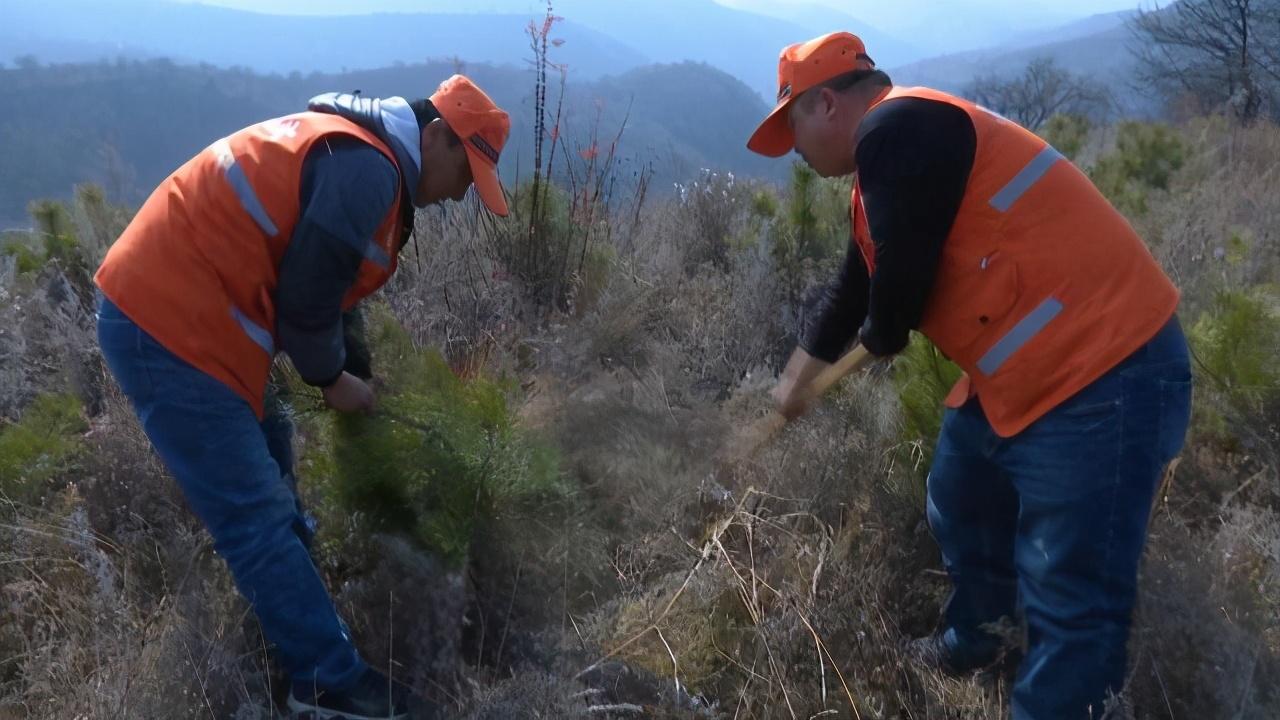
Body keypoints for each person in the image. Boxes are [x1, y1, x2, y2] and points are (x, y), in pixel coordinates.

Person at [748, 31, 1193, 719]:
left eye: (793, 129)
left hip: (1107, 373)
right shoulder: (888, 169)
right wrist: (796, 380)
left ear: (827, 104)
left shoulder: (897, 126)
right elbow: (856, 286)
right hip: (1026, 378)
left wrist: (883, 332)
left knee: (1072, 598)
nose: (797, 154)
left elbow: (897, 286)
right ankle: (978, 641)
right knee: (960, 495)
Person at [94, 74, 511, 719]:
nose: (460, 195)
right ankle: (323, 683)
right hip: (166, 319)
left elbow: (329, 283)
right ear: (437, 137)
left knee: (275, 446)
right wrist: (333, 380)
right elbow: (308, 302)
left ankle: (298, 603)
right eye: (465, 175)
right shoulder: (367, 172)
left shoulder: (365, 157)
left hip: (194, 311)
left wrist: (355, 367)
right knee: (254, 513)